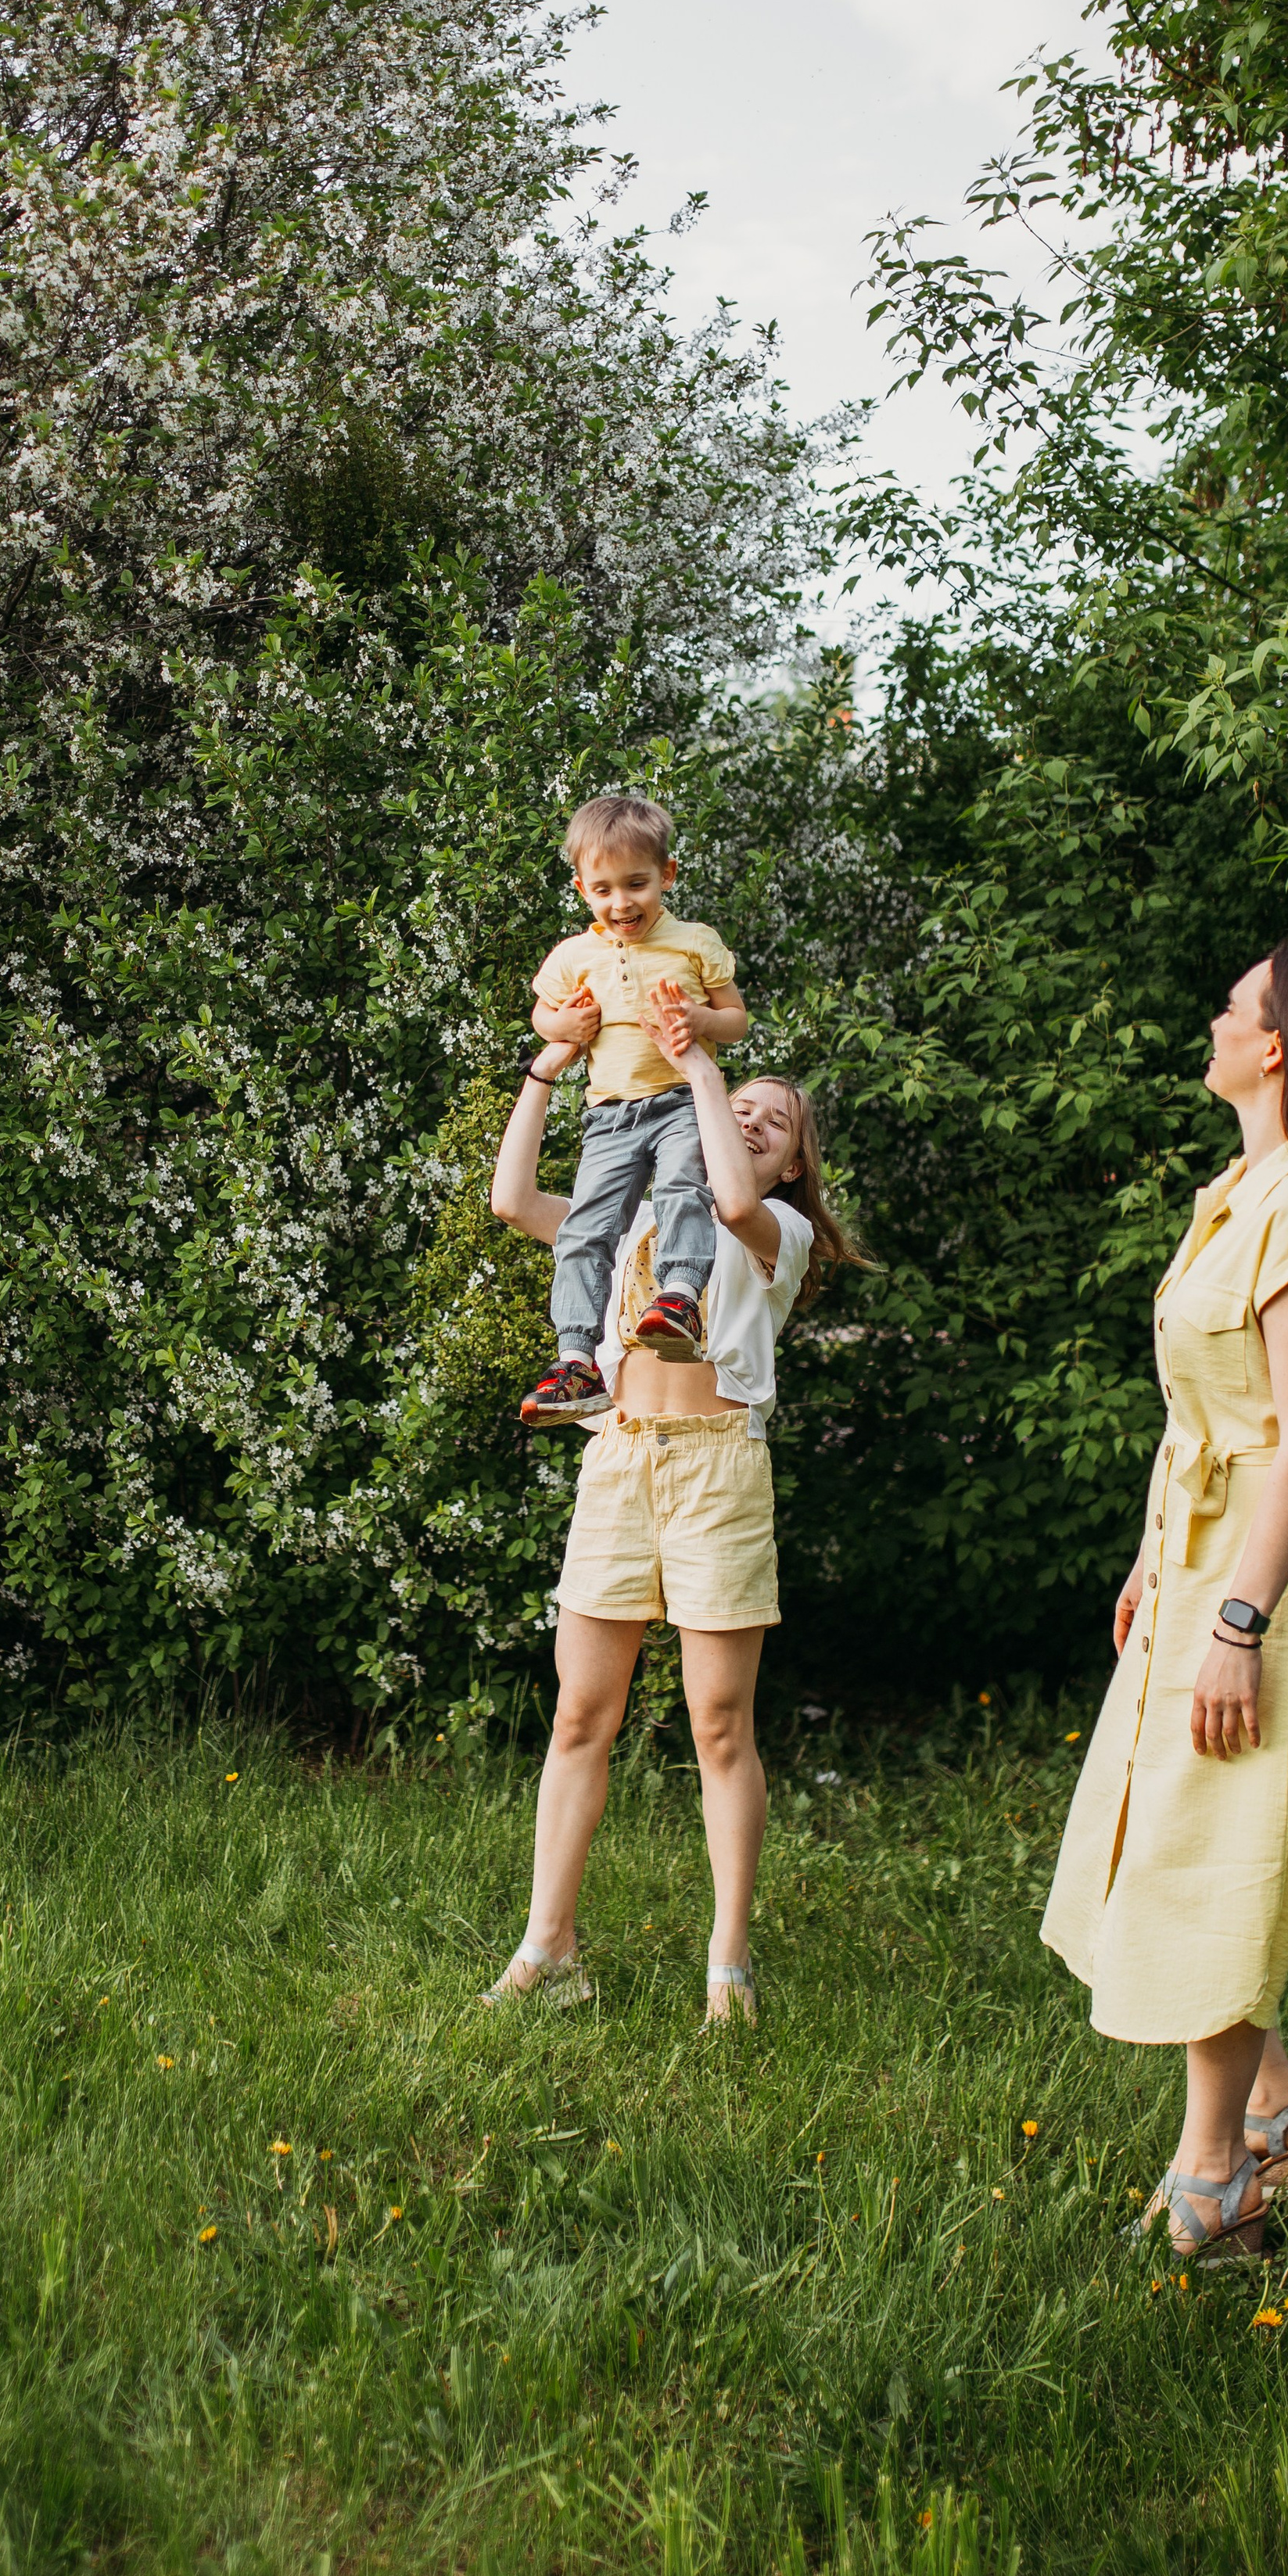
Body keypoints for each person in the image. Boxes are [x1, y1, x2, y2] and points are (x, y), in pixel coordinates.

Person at [1041, 940, 1288, 2266]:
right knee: (1159, 1823)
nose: (1212, 1018)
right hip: (1204, 1545)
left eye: (1229, 1007)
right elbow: (1206, 1411)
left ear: (1280, 1045)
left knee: (1217, 1831)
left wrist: (1238, 1619)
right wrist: (1153, 1557)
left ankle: (1214, 2173)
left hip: (1270, 1564)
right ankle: (1282, 2111)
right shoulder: (1238, 1191)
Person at [483, 983, 863, 2020]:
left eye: (770, 1120)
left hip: (717, 1468)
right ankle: (546, 1949)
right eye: (740, 1101)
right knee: (577, 1717)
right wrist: (548, 1067)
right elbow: (515, 1202)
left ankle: (727, 1966)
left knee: (719, 1727)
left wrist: (697, 1063)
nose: (746, 1113)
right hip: (618, 1459)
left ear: (791, 1162)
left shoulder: (771, 1225)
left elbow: (731, 1201)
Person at [518, 794, 747, 1426]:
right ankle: (575, 1361)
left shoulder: (694, 942)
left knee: (681, 1188)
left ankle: (677, 1299)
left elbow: (736, 1020)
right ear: (583, 890)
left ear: (666, 876)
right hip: (610, 1117)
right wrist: (561, 1022)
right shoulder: (574, 956)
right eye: (604, 889)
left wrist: (701, 1018)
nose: (622, 903)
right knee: (584, 1231)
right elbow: (543, 1014)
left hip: (678, 1101)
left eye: (637, 884)